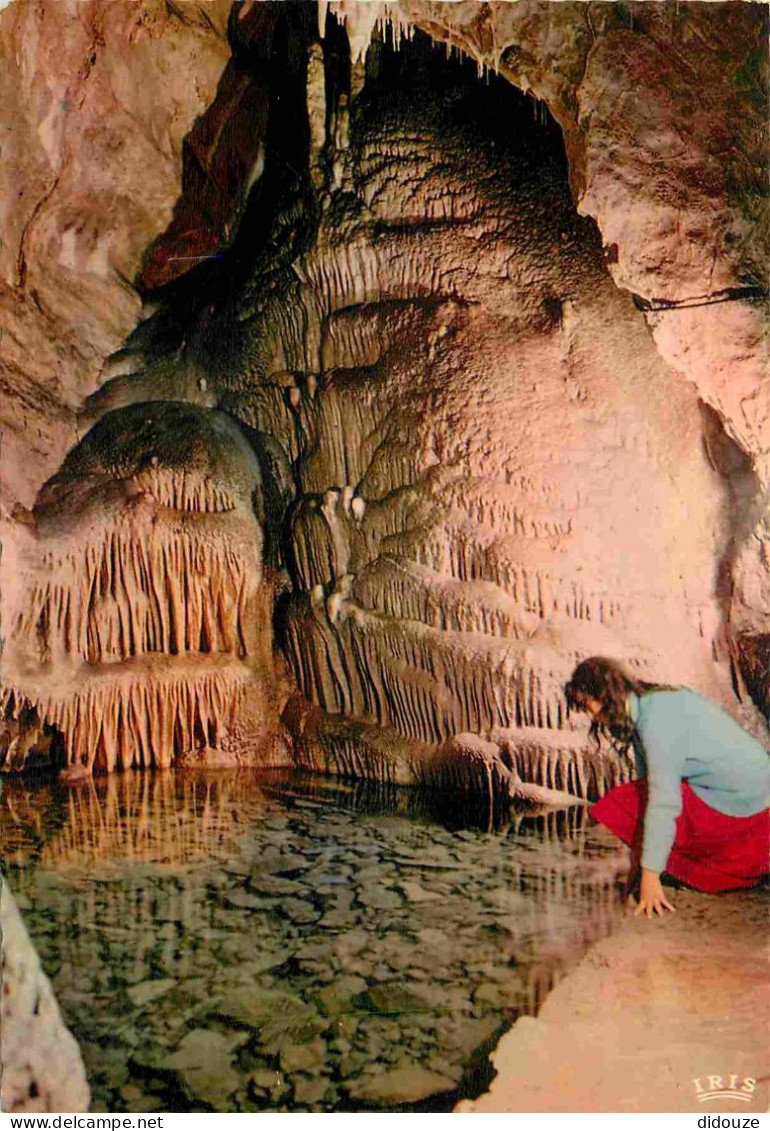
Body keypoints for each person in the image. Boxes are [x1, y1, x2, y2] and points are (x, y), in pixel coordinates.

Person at [564, 657, 770, 916]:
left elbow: (662, 801)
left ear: (604, 693)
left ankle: (654, 877)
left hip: (742, 802)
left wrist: (650, 879)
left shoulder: (656, 718)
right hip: (750, 792)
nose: (590, 714)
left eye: (586, 704)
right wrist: (640, 865)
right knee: (638, 798)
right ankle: (649, 871)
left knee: (621, 804)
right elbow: (647, 786)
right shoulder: (648, 704)